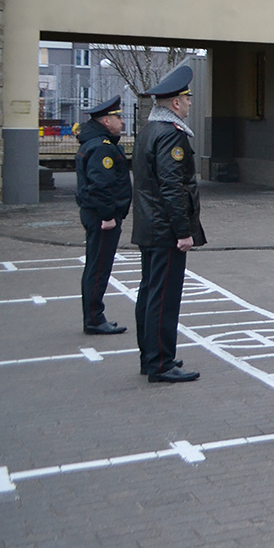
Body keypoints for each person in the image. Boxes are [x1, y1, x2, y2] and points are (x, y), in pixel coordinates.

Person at [131, 64, 205, 383]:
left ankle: (151, 356)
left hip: (150, 226)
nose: (190, 103)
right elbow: (172, 187)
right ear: (175, 103)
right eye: (187, 99)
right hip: (165, 230)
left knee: (150, 292)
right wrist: (183, 232)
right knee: (163, 296)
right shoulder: (170, 136)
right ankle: (161, 361)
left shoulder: (149, 130)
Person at [74, 95, 131, 336]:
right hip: (102, 217)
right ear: (106, 121)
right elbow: (101, 186)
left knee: (96, 265)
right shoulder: (101, 147)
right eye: (118, 117)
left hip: (96, 214)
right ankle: (94, 319)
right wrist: (108, 216)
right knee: (99, 267)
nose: (122, 122)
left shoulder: (96, 143)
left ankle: (94, 316)